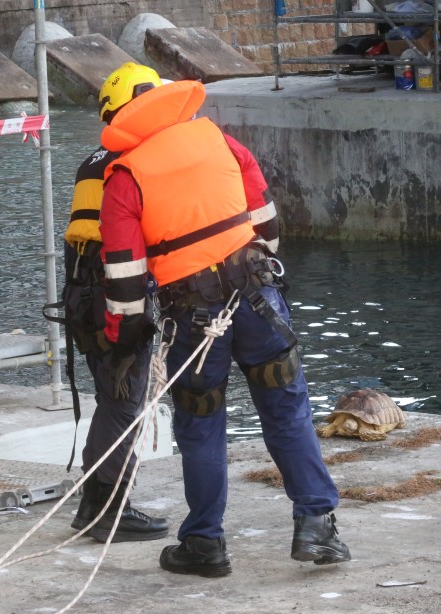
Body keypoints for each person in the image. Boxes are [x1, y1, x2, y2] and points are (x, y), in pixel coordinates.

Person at [97, 74, 351, 577]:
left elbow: (124, 279)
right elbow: (267, 223)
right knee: (286, 409)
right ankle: (316, 526)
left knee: (201, 424)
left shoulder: (124, 176)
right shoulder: (220, 140)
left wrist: (123, 341)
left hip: (192, 317)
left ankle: (204, 543)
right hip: (258, 298)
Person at [61, 63, 170, 544]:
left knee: (113, 399)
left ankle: (95, 505)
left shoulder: (94, 159)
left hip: (85, 298)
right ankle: (106, 509)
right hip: (115, 299)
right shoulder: (133, 158)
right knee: (122, 404)